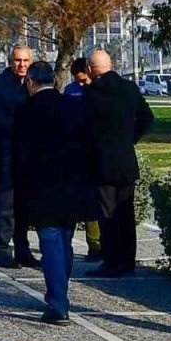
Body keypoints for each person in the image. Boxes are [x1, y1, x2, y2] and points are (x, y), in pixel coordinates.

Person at [12, 62, 97, 324]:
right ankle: (61, 291)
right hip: (72, 184)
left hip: (41, 187)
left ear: (30, 82)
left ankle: (58, 301)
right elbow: (89, 145)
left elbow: (19, 155)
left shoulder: (25, 111)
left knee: (50, 242)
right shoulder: (74, 106)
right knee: (65, 240)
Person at [83, 49, 155, 277]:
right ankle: (127, 260)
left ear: (89, 69)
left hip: (101, 161)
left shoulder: (91, 93)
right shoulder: (129, 88)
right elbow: (147, 117)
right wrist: (130, 138)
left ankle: (111, 261)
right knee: (125, 212)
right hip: (125, 159)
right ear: (111, 64)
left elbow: (83, 128)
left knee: (107, 213)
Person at [0, 45, 38, 269]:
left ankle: (23, 249)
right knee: (6, 206)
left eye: (26, 61)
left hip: (29, 154)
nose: (22, 65)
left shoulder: (34, 83)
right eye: (18, 60)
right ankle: (3, 250)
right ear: (10, 61)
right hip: (7, 152)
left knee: (25, 205)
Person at [62, 57, 102, 262]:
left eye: (84, 80)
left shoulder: (97, 93)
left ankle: (95, 246)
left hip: (93, 153)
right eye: (78, 81)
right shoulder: (69, 92)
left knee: (93, 204)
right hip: (74, 152)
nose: (81, 84)